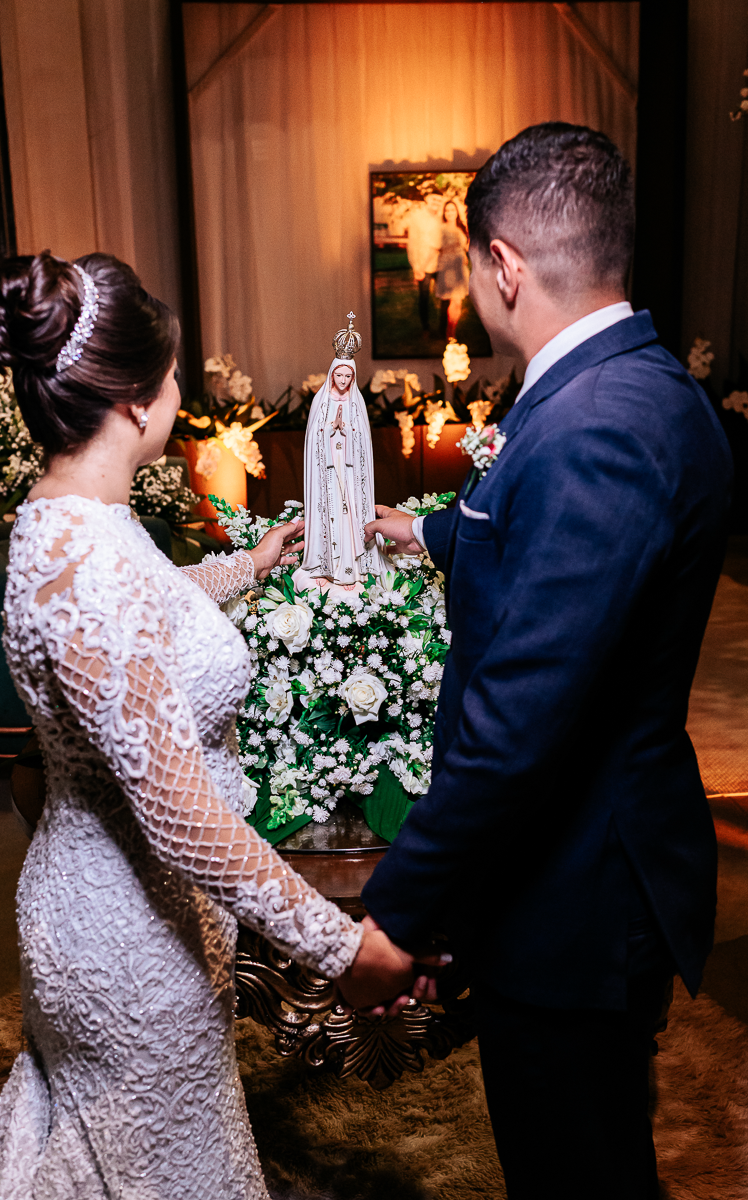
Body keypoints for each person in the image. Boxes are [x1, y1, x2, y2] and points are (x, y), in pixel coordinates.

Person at [0, 252, 439, 1200]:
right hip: (131, 941)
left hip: (99, 910)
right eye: (176, 373)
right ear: (139, 402)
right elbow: (180, 814)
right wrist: (344, 948)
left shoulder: (68, 520)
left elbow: (137, 625)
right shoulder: (87, 555)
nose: (183, 389)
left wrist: (247, 565)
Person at [360, 123, 732, 1199]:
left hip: (575, 895)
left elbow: (520, 716)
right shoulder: (633, 386)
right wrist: (426, 532)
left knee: (578, 1169)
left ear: (503, 266)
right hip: (577, 871)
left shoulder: (595, 424)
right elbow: (568, 551)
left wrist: (400, 910)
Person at [299, 350, 382, 592]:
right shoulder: (321, 400)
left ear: (353, 377)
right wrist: (328, 429)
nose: (343, 380)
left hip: (349, 472)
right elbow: (313, 436)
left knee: (350, 516)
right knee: (329, 513)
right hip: (326, 473)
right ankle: (326, 567)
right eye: (339, 375)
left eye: (348, 376)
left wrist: (346, 429)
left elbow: (363, 439)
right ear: (332, 374)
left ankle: (352, 569)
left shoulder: (356, 403)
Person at [405, 190, 444, 333]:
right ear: (427, 199)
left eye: (440, 201)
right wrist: (416, 266)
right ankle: (425, 328)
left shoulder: (441, 218)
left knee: (445, 296)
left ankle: (443, 328)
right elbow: (412, 243)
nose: (437, 203)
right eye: (434, 199)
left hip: (441, 264)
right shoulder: (417, 217)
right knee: (424, 297)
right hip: (423, 265)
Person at [436, 199, 470, 339]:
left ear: (457, 212)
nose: (450, 213)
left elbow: (465, 247)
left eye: (452, 210)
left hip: (460, 267)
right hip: (448, 267)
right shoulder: (441, 228)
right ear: (444, 213)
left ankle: (451, 329)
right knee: (453, 300)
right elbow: (438, 247)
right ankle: (449, 332)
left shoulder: (461, 228)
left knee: (458, 301)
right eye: (447, 210)